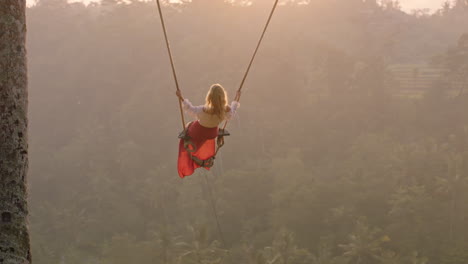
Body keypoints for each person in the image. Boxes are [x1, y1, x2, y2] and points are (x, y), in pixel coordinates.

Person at [176, 84, 240, 178]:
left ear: (209, 97)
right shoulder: (225, 111)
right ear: (223, 97)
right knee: (203, 131)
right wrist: (237, 98)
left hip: (196, 133)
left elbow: (190, 109)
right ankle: (199, 157)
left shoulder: (203, 110)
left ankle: (191, 156)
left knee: (188, 129)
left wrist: (181, 97)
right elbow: (232, 112)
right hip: (212, 134)